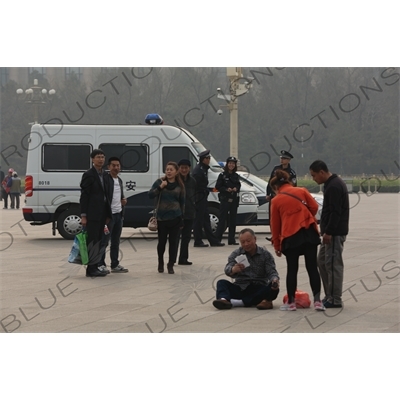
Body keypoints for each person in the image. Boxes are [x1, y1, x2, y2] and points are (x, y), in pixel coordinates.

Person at [270, 170, 325, 311]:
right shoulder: (302, 191)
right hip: (308, 232)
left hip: (290, 236)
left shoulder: (276, 200)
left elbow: (275, 226)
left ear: (276, 188)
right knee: (312, 267)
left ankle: (292, 303)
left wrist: (277, 245)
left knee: (292, 269)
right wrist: (304, 217)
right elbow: (314, 207)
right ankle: (318, 301)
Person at [309, 160, 349, 308]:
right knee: (322, 261)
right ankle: (330, 295)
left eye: (314, 175)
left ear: (322, 172)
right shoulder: (331, 184)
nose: (314, 179)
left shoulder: (334, 186)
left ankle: (335, 298)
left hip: (334, 233)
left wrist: (329, 232)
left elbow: (335, 213)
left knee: (333, 265)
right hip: (329, 232)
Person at [213, 228, 280, 310]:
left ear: (255, 239)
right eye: (243, 242)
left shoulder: (265, 254)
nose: (246, 244)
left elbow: (271, 271)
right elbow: (227, 268)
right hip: (240, 286)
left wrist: (275, 280)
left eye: (248, 241)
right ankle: (223, 300)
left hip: (258, 286)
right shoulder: (236, 253)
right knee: (221, 283)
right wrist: (233, 270)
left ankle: (237, 302)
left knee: (272, 288)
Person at [80, 149, 112, 278]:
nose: (101, 159)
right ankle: (91, 269)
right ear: (92, 159)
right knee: (92, 241)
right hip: (92, 214)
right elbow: (84, 196)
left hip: (103, 213)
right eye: (98, 157)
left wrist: (108, 214)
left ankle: (96, 266)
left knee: (99, 241)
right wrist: (83, 215)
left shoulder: (105, 175)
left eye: (103, 157)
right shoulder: (88, 174)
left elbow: (107, 195)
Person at [149, 161, 185, 274]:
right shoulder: (160, 182)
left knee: (174, 243)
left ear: (176, 171)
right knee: (162, 242)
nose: (169, 171)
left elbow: (182, 202)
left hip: (175, 218)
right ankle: (160, 262)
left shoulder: (180, 185)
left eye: (171, 170)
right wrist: (160, 187)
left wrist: (182, 219)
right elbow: (150, 195)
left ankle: (171, 264)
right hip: (162, 218)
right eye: (167, 169)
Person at [98, 157, 129, 274]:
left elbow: (119, 195)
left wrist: (123, 200)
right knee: (104, 241)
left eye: (118, 165)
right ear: (108, 167)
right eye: (113, 165)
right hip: (108, 216)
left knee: (116, 241)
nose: (116, 168)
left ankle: (115, 264)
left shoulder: (119, 180)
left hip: (118, 215)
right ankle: (100, 264)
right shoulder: (105, 179)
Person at [192, 150, 224, 248]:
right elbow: (196, 186)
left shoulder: (203, 169)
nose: (209, 160)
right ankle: (197, 240)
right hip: (199, 198)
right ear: (203, 159)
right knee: (199, 220)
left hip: (203, 197)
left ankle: (213, 241)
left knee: (206, 220)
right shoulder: (198, 171)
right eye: (208, 158)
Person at [265, 150, 297, 240]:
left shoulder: (291, 172)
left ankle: (283, 234)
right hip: (274, 196)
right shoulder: (276, 169)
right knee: (273, 217)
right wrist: (268, 193)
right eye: (281, 158)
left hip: (285, 198)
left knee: (283, 217)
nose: (282, 160)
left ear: (289, 160)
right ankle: (274, 235)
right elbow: (270, 182)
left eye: (284, 158)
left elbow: (294, 185)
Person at [215, 156, 241, 245]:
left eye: (233, 164)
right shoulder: (222, 175)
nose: (231, 165)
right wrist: (226, 189)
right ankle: (218, 239)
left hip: (234, 200)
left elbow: (238, 185)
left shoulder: (236, 176)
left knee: (233, 220)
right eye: (230, 163)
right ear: (227, 164)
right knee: (222, 220)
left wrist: (235, 188)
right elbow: (218, 186)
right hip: (225, 200)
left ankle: (231, 239)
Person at [177, 159, 197, 265]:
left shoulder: (192, 181)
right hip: (177, 213)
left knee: (186, 237)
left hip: (189, 213)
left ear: (189, 169)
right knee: (175, 238)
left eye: (186, 168)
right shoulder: (175, 180)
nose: (184, 170)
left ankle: (183, 258)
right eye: (182, 167)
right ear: (179, 168)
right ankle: (172, 259)